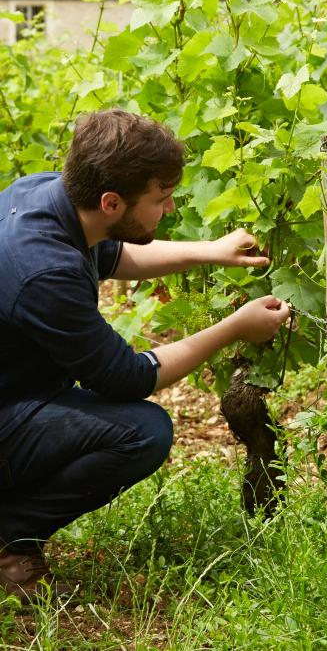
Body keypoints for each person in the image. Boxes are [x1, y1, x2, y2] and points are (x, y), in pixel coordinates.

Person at [0, 109, 290, 602]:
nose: (172, 208)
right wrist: (233, 328)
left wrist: (212, 250)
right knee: (143, 432)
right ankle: (9, 537)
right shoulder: (44, 271)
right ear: (111, 201)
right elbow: (128, 377)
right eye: (160, 199)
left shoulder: (48, 195)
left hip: (16, 390)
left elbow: (111, 254)